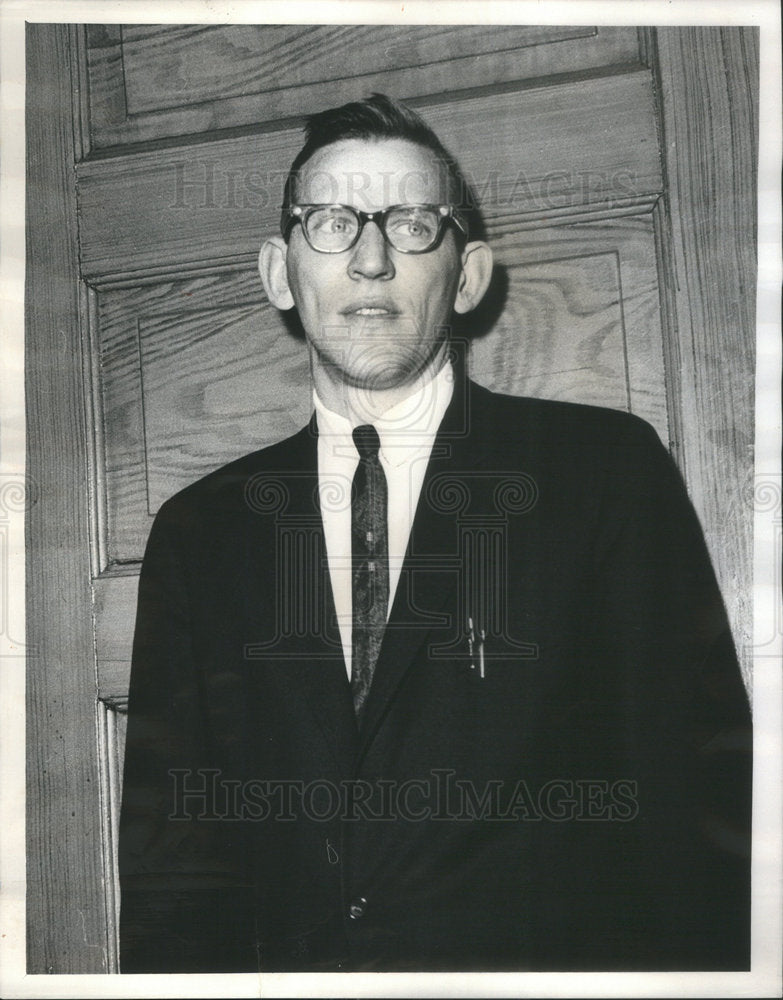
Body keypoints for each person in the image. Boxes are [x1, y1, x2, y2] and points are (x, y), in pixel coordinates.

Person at [118, 94, 751, 973]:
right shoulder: (199, 533)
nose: (371, 259)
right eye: (332, 223)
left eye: (412, 224)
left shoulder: (601, 473)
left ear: (466, 273)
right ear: (279, 271)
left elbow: (701, 812)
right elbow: (169, 873)